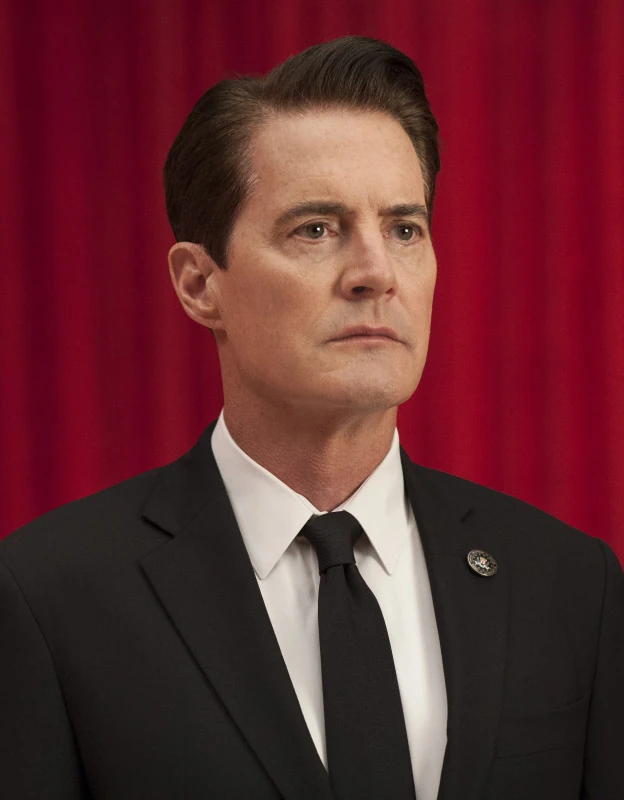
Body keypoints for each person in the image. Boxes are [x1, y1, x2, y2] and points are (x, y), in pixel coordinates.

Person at [1, 36, 622, 800]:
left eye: (404, 228)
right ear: (199, 283)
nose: (375, 273)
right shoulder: (48, 597)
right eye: (316, 229)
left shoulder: (571, 586)